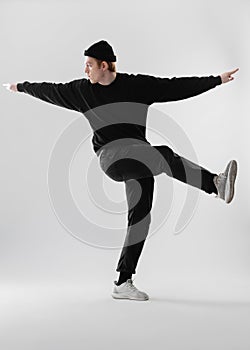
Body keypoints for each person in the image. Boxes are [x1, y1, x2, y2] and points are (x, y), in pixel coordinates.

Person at [3, 40, 239, 301]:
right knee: (163, 155)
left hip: (140, 157)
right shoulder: (82, 91)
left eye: (90, 65)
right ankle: (215, 185)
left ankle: (123, 282)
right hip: (112, 158)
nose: (86, 70)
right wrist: (20, 87)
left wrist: (215, 80)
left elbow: (175, 87)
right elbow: (50, 90)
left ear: (104, 66)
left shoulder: (136, 86)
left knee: (141, 217)